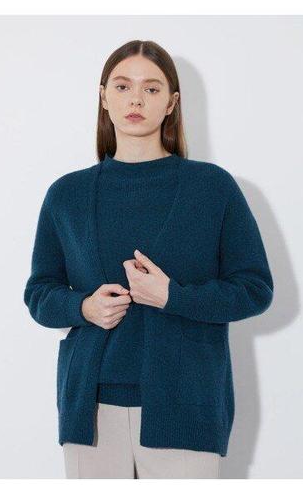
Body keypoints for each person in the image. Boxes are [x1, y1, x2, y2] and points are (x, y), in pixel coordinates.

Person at [23, 39, 274, 478]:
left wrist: (173, 296)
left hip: (186, 407)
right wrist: (84, 307)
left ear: (171, 103)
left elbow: (254, 289)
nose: (136, 99)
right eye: (122, 86)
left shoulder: (212, 188)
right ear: (104, 97)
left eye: (151, 88)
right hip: (90, 411)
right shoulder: (67, 195)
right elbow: (39, 293)